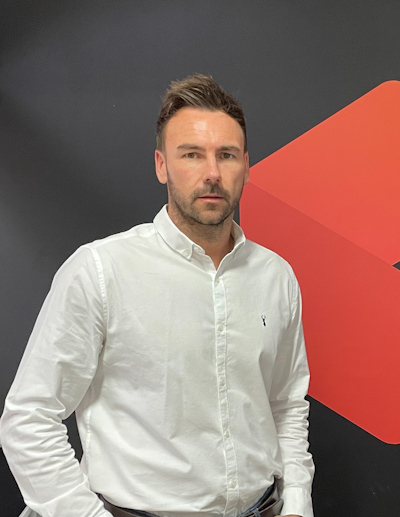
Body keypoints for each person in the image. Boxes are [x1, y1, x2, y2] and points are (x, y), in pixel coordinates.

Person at [0, 74, 314, 517]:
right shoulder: (100, 271)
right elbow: (29, 417)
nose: (211, 173)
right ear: (161, 165)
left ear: (246, 164)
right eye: (191, 154)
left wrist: (297, 504)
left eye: (226, 155)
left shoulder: (275, 277)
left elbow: (285, 404)